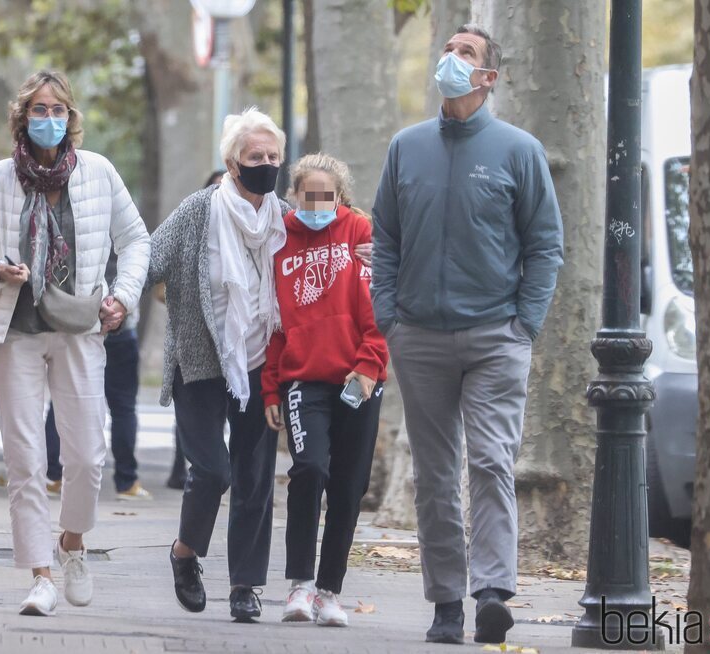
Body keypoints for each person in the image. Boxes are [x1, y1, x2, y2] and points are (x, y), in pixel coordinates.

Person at [372, 24, 564, 645]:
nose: (450, 59)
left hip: (495, 336)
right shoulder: (407, 146)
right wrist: (389, 316)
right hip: (418, 337)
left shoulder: (519, 150)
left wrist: (525, 324)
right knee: (433, 473)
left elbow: (545, 244)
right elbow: (386, 237)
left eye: (466, 53)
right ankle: (446, 602)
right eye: (449, 49)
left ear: (489, 77)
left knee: (489, 462)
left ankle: (491, 593)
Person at [0, 70, 150, 617]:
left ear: (71, 119)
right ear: (23, 118)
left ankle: (72, 542)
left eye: (58, 110)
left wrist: (124, 296)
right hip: (13, 331)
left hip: (79, 328)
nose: (49, 119)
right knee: (25, 458)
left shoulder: (98, 173)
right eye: (39, 110)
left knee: (88, 457)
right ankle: (40, 573)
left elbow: (134, 239)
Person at [145, 108, 291, 623]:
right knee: (211, 469)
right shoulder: (197, 212)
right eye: (256, 157)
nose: (267, 165)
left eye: (274, 156)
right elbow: (149, 258)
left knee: (254, 477)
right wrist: (112, 301)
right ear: (232, 163)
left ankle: (244, 585)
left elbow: (324, 263)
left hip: (261, 365)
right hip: (202, 360)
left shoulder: (284, 218)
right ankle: (185, 554)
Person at [262, 153, 388, 627]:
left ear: (340, 197)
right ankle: (299, 585)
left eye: (327, 196)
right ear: (294, 196)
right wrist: (271, 388)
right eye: (308, 195)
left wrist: (369, 366)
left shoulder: (359, 232)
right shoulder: (280, 239)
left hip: (360, 379)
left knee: (348, 487)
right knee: (310, 469)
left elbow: (379, 307)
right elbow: (273, 320)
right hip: (303, 379)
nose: (318, 204)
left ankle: (329, 592)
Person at [44, 251, 150, 501]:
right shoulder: (126, 230)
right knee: (123, 407)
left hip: (80, 323)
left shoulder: (75, 218)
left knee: (61, 399)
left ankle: (55, 475)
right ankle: (126, 482)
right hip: (120, 327)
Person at [163, 168, 228, 492]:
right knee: (199, 437)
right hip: (192, 355)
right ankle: (182, 469)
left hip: (241, 357)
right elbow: (153, 262)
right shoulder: (190, 220)